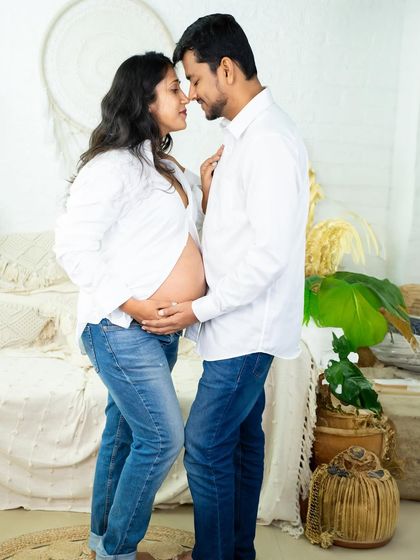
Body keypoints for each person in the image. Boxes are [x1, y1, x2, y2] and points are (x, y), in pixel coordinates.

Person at [141, 15, 309, 560]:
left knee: (207, 444)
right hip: (233, 324)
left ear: (227, 69)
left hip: (245, 328)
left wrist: (197, 309)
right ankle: (237, 551)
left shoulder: (270, 142)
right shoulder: (241, 136)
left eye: (194, 79)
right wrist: (210, 199)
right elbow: (240, 236)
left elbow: (268, 257)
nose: (190, 94)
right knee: (239, 441)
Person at [54, 52, 221, 560]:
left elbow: (171, 241)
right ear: (144, 101)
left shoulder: (164, 164)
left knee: (125, 433)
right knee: (162, 439)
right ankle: (119, 552)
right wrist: (135, 305)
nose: (187, 94)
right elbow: (71, 247)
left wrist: (206, 195)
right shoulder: (112, 167)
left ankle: (101, 540)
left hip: (157, 331)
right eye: (174, 88)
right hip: (120, 328)